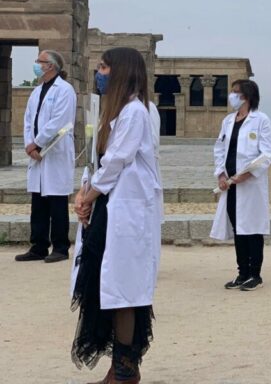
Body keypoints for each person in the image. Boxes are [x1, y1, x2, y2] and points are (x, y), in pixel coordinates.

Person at [70, 47, 163, 383]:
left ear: (120, 71)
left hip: (126, 210)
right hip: (112, 206)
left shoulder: (135, 112)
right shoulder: (116, 113)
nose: (99, 72)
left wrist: (88, 195)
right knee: (108, 285)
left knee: (123, 289)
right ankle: (121, 363)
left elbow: (116, 162)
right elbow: (101, 163)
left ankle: (126, 368)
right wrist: (88, 194)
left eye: (104, 67)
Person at [211, 79, 271, 291]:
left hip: (250, 185)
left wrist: (248, 173)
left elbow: (267, 153)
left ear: (247, 96)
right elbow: (219, 148)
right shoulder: (228, 121)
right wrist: (221, 173)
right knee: (239, 228)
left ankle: (255, 274)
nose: (232, 96)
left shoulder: (261, 120)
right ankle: (242, 272)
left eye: (236, 92)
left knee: (252, 229)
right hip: (231, 185)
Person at [16, 50, 76, 263]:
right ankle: (38, 245)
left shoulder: (65, 90)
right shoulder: (37, 90)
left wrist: (39, 143)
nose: (36, 64)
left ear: (50, 66)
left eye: (39, 61)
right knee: (38, 201)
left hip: (55, 151)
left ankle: (60, 247)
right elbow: (28, 120)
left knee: (57, 201)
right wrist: (29, 146)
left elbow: (58, 121)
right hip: (37, 153)